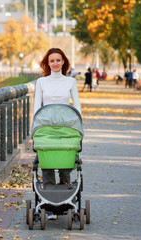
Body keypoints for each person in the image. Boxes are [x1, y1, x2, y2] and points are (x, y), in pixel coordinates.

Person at [34, 48, 82, 188]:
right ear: (48, 63)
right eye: (52, 61)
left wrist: (77, 126)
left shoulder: (70, 81)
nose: (55, 63)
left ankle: (65, 188)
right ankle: (48, 192)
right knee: (47, 157)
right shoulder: (41, 82)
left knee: (64, 158)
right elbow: (37, 107)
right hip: (46, 126)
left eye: (58, 60)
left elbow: (77, 106)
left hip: (65, 126)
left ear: (63, 62)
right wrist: (35, 128)